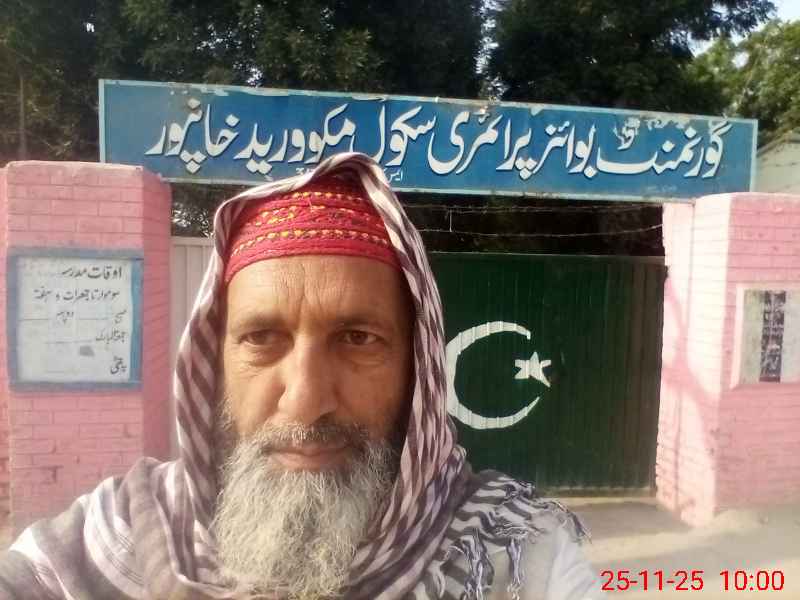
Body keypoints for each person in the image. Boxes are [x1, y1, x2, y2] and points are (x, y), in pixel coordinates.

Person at [0, 153, 603, 599]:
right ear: (215, 363)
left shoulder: (514, 554)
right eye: (262, 338)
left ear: (417, 369)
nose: (306, 400)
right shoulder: (128, 526)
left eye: (358, 338)